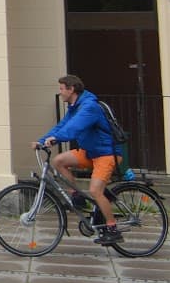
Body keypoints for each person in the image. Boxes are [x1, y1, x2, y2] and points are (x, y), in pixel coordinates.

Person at [38, 73, 121, 244]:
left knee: (95, 190)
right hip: (90, 152)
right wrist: (41, 141)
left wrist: (56, 139)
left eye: (62, 89)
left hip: (106, 154)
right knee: (59, 161)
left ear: (71, 89)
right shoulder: (75, 107)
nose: (60, 92)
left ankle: (113, 229)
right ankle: (77, 197)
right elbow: (62, 126)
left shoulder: (89, 107)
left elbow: (74, 128)